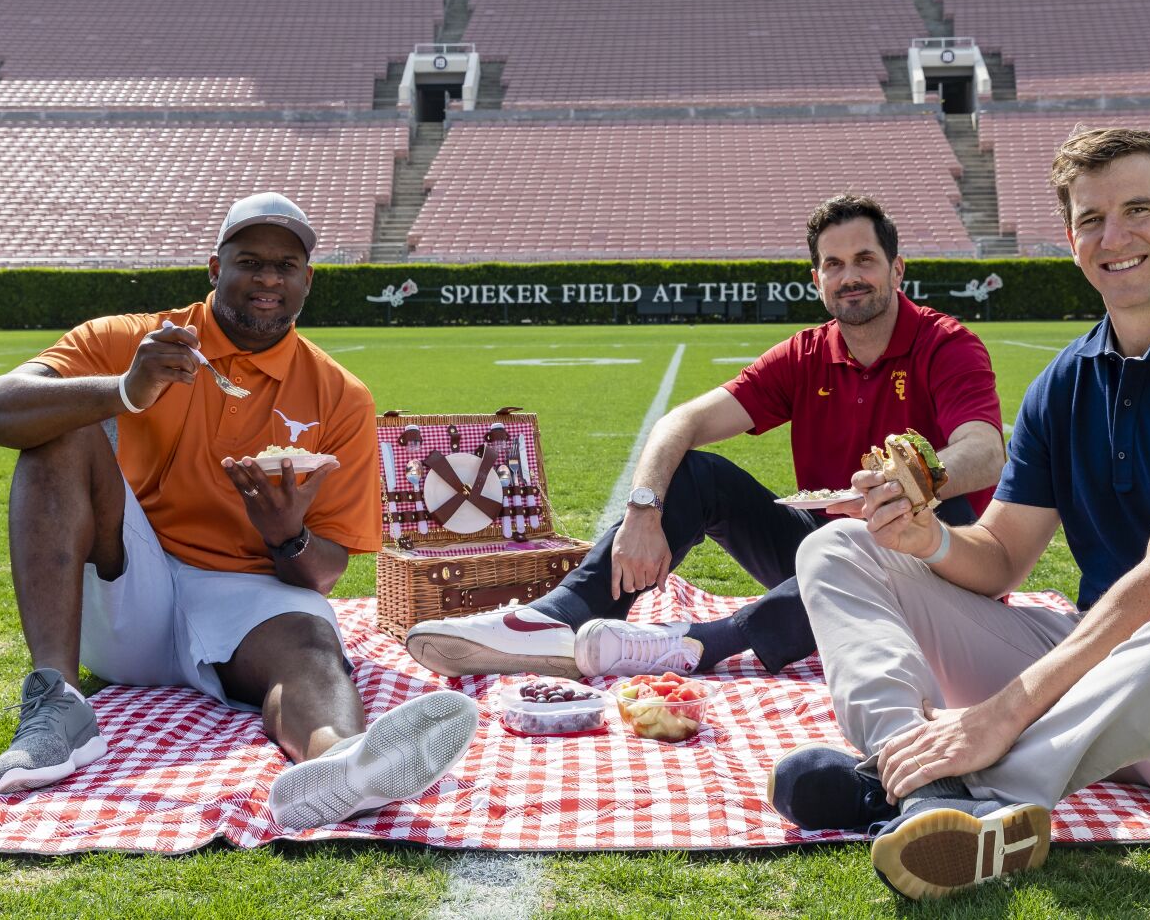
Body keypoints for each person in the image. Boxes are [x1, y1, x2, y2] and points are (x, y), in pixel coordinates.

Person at [775, 128, 1150, 901]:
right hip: (1095, 692)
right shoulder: (1065, 382)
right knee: (838, 546)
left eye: (1138, 209)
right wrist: (925, 537)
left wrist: (1004, 712)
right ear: (1071, 241)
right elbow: (1002, 557)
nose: (1115, 236)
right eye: (1090, 219)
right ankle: (911, 774)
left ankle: (980, 783)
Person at [0, 192, 477, 830]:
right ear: (214, 268)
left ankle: (341, 766)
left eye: (286, 265)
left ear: (307, 280)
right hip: (128, 588)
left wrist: (287, 537)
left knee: (312, 646)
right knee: (62, 426)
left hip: (248, 595)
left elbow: (324, 578)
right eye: (249, 261)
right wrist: (123, 391)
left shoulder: (340, 396)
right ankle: (57, 701)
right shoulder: (132, 341)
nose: (268, 277)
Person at [404, 193, 1006, 681]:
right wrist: (643, 511)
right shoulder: (806, 353)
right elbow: (680, 423)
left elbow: (984, 450)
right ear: (816, 278)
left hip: (931, 570)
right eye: (834, 264)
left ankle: (694, 644)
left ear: (897, 269)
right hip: (823, 553)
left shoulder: (945, 344)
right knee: (697, 475)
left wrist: (904, 487)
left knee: (867, 535)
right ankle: (553, 621)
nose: (850, 277)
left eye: (865, 260)